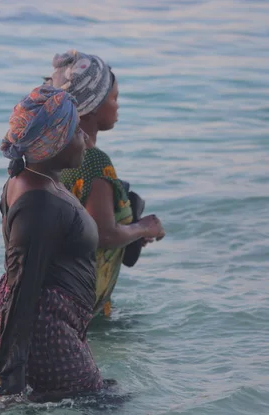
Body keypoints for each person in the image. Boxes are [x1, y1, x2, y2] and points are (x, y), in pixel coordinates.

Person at [0, 84, 105, 401]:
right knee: (100, 404)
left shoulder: (34, 181)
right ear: (56, 142)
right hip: (42, 330)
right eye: (77, 131)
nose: (87, 138)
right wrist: (10, 380)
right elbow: (22, 288)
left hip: (47, 323)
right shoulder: (39, 203)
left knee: (104, 397)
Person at [46, 50, 165, 318]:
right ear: (93, 106)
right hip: (82, 307)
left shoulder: (53, 156)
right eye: (114, 98)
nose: (118, 105)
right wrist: (144, 227)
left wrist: (131, 232)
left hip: (57, 299)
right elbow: (102, 234)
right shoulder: (95, 162)